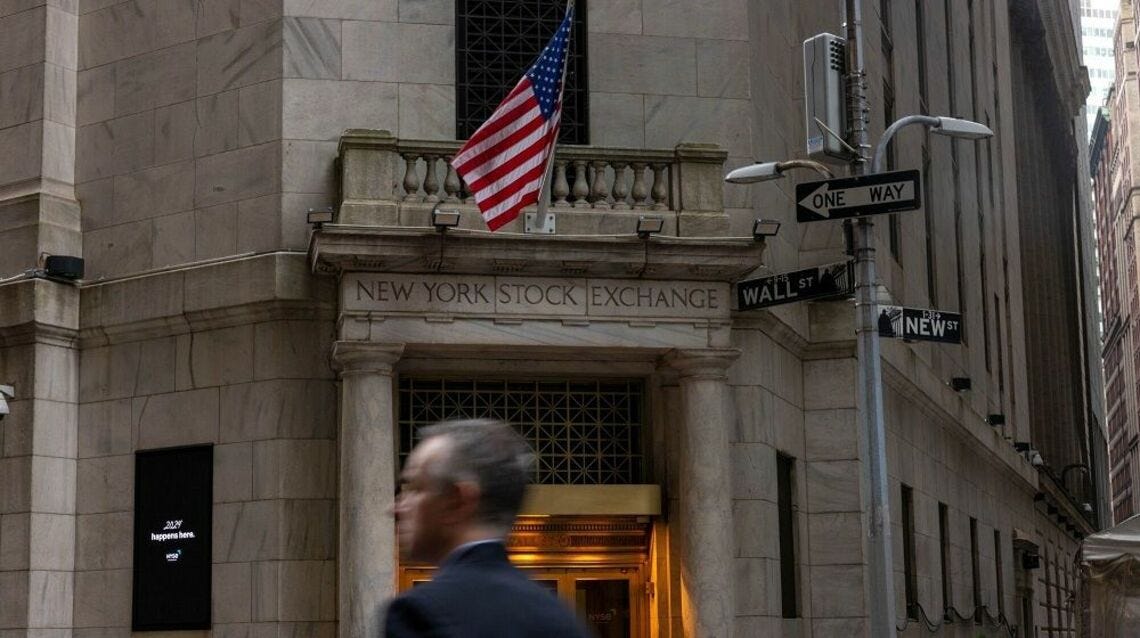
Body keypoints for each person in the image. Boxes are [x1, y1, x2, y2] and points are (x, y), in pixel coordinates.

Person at [385, 418, 592, 638]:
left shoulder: (420, 614)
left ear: (456, 501)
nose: (395, 509)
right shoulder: (562, 618)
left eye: (415, 488)